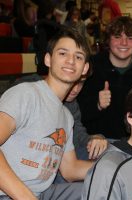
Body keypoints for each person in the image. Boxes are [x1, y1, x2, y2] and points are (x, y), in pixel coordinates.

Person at [0, 26, 93, 200]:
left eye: (78, 57)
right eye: (63, 53)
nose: (71, 61)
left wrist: (114, 166)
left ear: (85, 68)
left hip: (43, 194)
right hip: (8, 193)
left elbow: (70, 170)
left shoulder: (66, 116)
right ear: (48, 59)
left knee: (99, 191)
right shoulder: (26, 94)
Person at [77, 16, 132, 140]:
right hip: (95, 143)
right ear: (108, 40)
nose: (124, 43)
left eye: (130, 38)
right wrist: (97, 104)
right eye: (117, 37)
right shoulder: (90, 68)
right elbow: (75, 113)